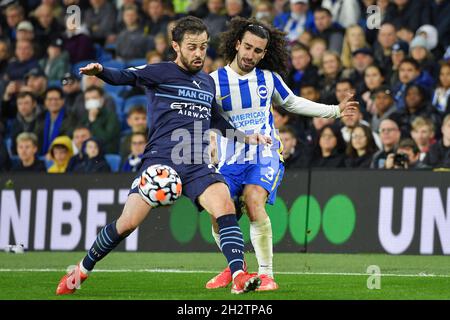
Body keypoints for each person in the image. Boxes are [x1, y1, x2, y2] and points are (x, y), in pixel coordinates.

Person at [56, 16, 267, 296]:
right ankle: (80, 271)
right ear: (176, 47)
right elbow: (127, 76)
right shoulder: (161, 72)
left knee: (225, 207)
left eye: (203, 46)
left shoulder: (207, 83)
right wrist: (102, 71)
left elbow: (215, 120)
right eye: (192, 47)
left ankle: (239, 275)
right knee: (127, 224)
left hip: (196, 161)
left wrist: (245, 137)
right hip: (161, 161)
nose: (199, 53)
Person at [207, 17, 358, 291]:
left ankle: (267, 275)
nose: (251, 55)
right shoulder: (214, 82)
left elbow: (292, 102)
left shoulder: (268, 79)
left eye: (258, 51)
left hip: (265, 154)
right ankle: (236, 267)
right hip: (230, 160)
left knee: (254, 201)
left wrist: (334, 110)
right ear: (237, 44)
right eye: (248, 47)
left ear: (265, 53)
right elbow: (203, 120)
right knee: (219, 214)